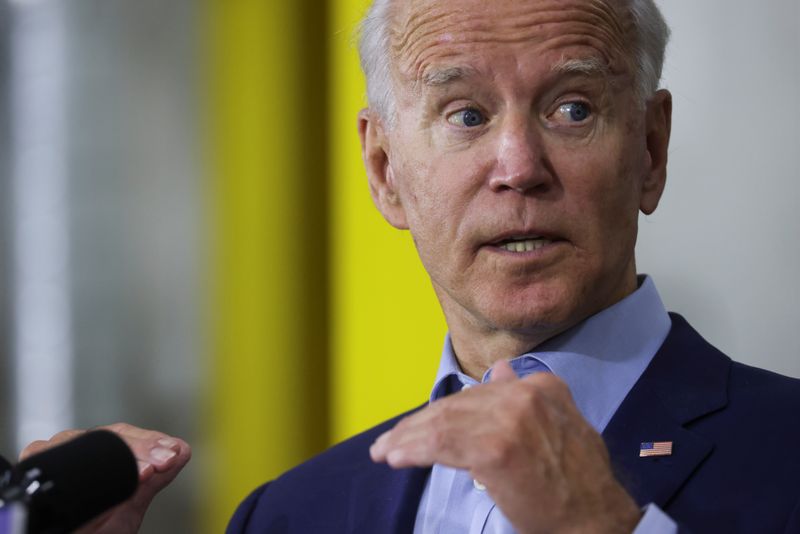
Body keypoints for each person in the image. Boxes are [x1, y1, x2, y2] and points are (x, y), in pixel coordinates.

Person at [25, 0, 800, 532]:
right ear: (385, 169)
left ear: (651, 151)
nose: (519, 166)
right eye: (466, 114)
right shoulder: (293, 516)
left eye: (573, 107)